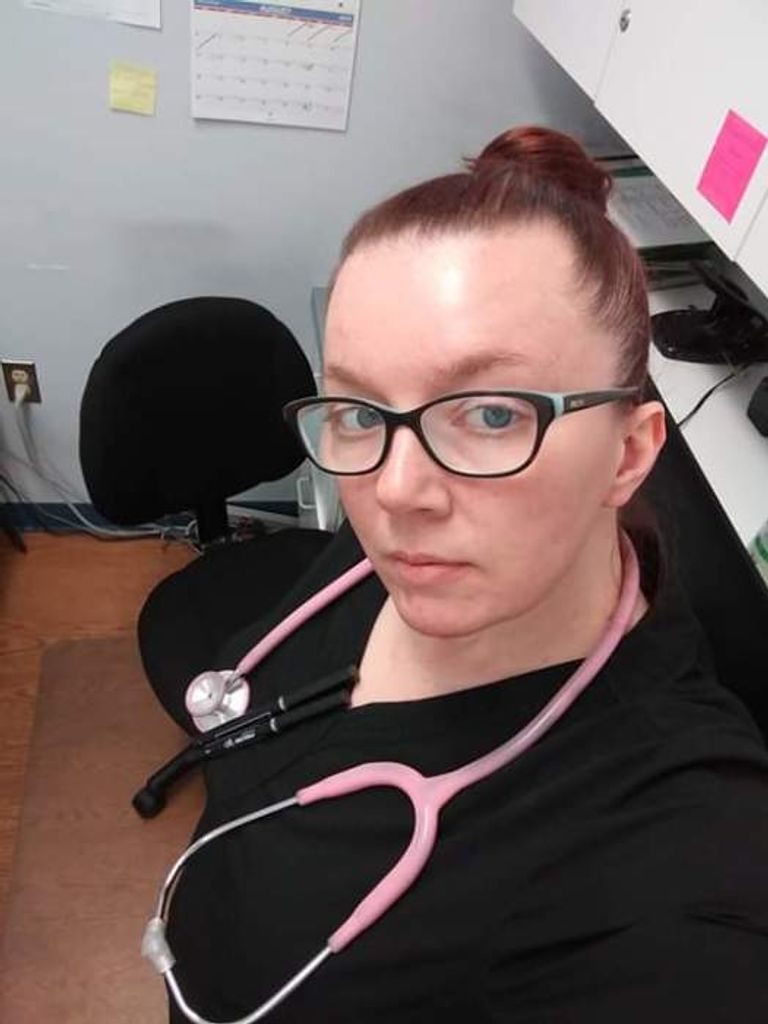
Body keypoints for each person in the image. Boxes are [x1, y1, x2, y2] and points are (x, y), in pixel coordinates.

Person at [166, 126, 768, 1023]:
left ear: (629, 453)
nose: (395, 490)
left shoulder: (674, 878)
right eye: (358, 410)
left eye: (489, 414)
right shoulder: (422, 532)